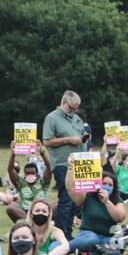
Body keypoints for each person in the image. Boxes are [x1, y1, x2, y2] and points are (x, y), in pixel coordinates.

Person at [42, 90, 89, 236]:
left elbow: (80, 136)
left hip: (80, 163)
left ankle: (68, 231)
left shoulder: (76, 119)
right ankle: (62, 234)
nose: (74, 111)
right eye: (72, 107)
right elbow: (47, 141)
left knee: (78, 200)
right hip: (63, 163)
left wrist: (84, 137)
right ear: (63, 103)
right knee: (66, 199)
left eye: (77, 108)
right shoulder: (52, 118)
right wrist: (68, 140)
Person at [66, 170, 127, 254]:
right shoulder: (88, 196)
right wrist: (70, 169)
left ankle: (87, 252)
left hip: (107, 237)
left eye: (110, 185)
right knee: (92, 240)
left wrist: (107, 201)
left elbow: (120, 218)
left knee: (119, 244)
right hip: (88, 234)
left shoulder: (117, 200)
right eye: (104, 184)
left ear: (114, 188)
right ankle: (64, 248)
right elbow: (71, 189)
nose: (107, 186)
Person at [0, 143, 51, 222]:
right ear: (25, 175)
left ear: (36, 174)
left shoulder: (43, 182)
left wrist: (42, 153)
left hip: (42, 210)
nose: (30, 175)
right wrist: (13, 153)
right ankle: (31, 222)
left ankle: (38, 221)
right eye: (28, 173)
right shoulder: (21, 183)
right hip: (25, 212)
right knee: (10, 207)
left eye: (32, 173)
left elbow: (49, 168)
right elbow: (10, 170)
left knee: (59, 204)